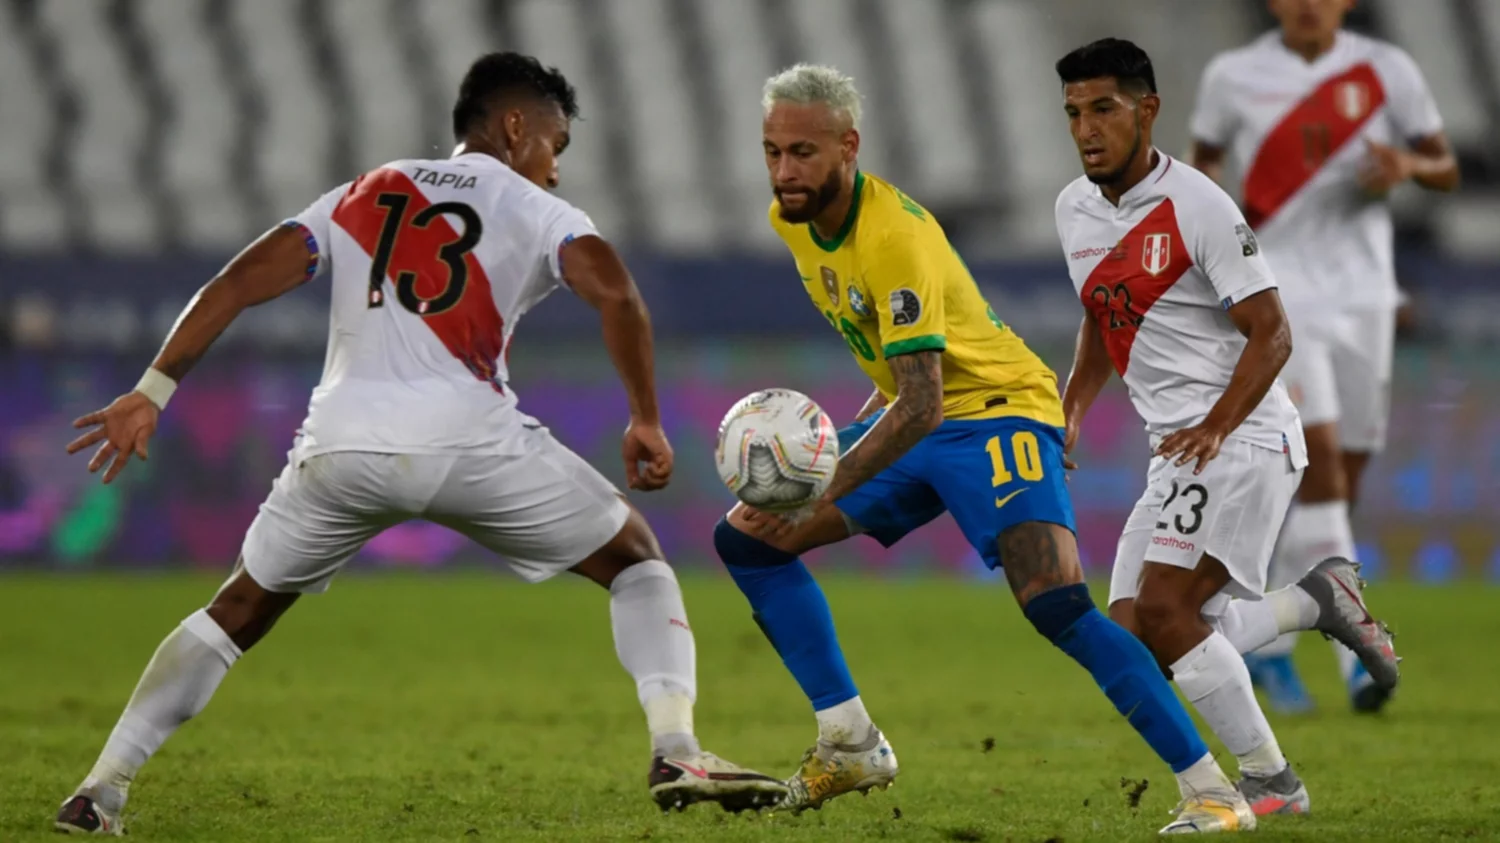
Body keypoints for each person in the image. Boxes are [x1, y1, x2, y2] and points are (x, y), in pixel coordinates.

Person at [53, 52, 784, 836]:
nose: (557, 171)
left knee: (237, 608)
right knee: (637, 560)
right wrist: (644, 416)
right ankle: (675, 747)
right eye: (555, 146)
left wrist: (152, 389)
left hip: (340, 447)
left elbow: (235, 281)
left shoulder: (365, 191)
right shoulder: (536, 208)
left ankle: (100, 788)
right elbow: (617, 292)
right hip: (468, 441)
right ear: (514, 128)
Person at [718, 61, 1245, 828]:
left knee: (1057, 605)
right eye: (772, 151)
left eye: (802, 153)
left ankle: (1213, 790)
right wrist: (832, 447)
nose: (784, 171)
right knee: (748, 541)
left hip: (999, 413)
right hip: (917, 416)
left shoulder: (893, 234)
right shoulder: (790, 221)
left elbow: (927, 398)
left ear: (848, 147)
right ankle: (849, 740)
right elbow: (895, 367)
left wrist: (819, 484)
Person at [1054, 38, 1400, 829]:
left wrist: (1215, 425)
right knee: (1135, 637)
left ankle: (1268, 780)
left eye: (1103, 108)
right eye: (1073, 112)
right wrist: (1072, 405)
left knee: (1172, 613)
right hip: (1176, 447)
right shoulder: (1073, 207)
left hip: (1239, 437)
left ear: (1147, 109)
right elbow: (1100, 311)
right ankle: (1313, 601)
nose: (1086, 129)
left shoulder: (1200, 207)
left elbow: (1272, 334)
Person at [1189, 0, 1457, 714]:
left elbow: (1447, 167)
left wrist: (1407, 163)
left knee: (1339, 477)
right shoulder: (1234, 75)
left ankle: (1268, 642)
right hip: (1285, 292)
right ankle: (1357, 661)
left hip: (1367, 294)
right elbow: (1201, 174)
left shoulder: (1386, 69)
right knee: (1325, 471)